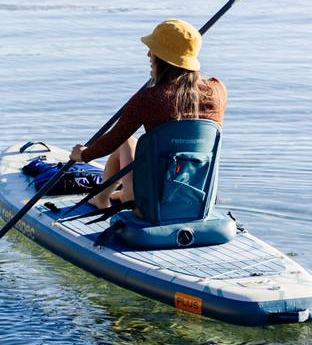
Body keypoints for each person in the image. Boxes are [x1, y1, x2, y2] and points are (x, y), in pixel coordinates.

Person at [69, 19, 227, 210]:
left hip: (151, 208)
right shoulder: (218, 91)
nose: (148, 54)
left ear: (163, 58)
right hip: (199, 201)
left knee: (125, 140)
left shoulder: (149, 99)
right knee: (133, 144)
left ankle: (107, 198)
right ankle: (106, 197)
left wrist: (83, 155)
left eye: (153, 50)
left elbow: (112, 140)